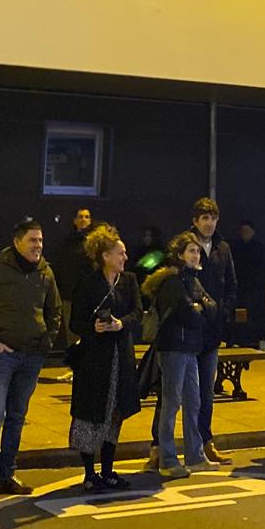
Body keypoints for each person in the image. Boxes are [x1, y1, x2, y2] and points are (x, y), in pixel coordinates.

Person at [0, 219, 61, 506]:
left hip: (31, 357)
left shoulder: (46, 273)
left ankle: (8, 473)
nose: (38, 246)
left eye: (41, 241)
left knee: (17, 418)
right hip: (0, 357)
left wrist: (46, 342)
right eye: (32, 240)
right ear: (17, 242)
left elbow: (54, 311)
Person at [67, 224, 141, 492]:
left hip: (120, 357)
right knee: (91, 414)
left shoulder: (129, 281)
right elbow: (75, 322)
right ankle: (89, 473)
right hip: (94, 360)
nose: (125, 258)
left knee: (114, 414)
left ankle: (109, 470)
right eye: (120, 253)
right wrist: (94, 328)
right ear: (105, 256)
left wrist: (121, 324)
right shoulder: (88, 284)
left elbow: (138, 313)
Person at [145, 234, 215, 479]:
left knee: (193, 401)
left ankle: (195, 455)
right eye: (191, 251)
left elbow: (211, 307)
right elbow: (188, 315)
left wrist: (201, 307)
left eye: (197, 251)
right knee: (171, 402)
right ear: (180, 255)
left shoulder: (191, 280)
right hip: (173, 348)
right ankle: (168, 458)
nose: (196, 255)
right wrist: (198, 309)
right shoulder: (172, 281)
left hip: (189, 348)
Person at [182, 197, 236, 466]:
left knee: (206, 391)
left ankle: (205, 441)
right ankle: (161, 444)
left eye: (214, 218)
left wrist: (223, 313)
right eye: (205, 218)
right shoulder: (186, 246)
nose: (210, 223)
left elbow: (230, 285)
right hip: (188, 329)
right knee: (181, 392)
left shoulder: (222, 248)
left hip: (212, 330)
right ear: (195, 220)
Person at [53, 208, 95, 337]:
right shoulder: (67, 242)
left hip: (88, 293)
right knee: (72, 333)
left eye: (86, 217)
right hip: (69, 293)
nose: (83, 220)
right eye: (80, 216)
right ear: (75, 220)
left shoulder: (94, 243)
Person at [230, 221, 265, 345]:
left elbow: (262, 270)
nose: (245, 234)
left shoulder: (259, 249)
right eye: (243, 231)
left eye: (248, 231)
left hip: (254, 291)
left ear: (253, 232)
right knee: (239, 317)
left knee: (252, 318)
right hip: (239, 290)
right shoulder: (235, 248)